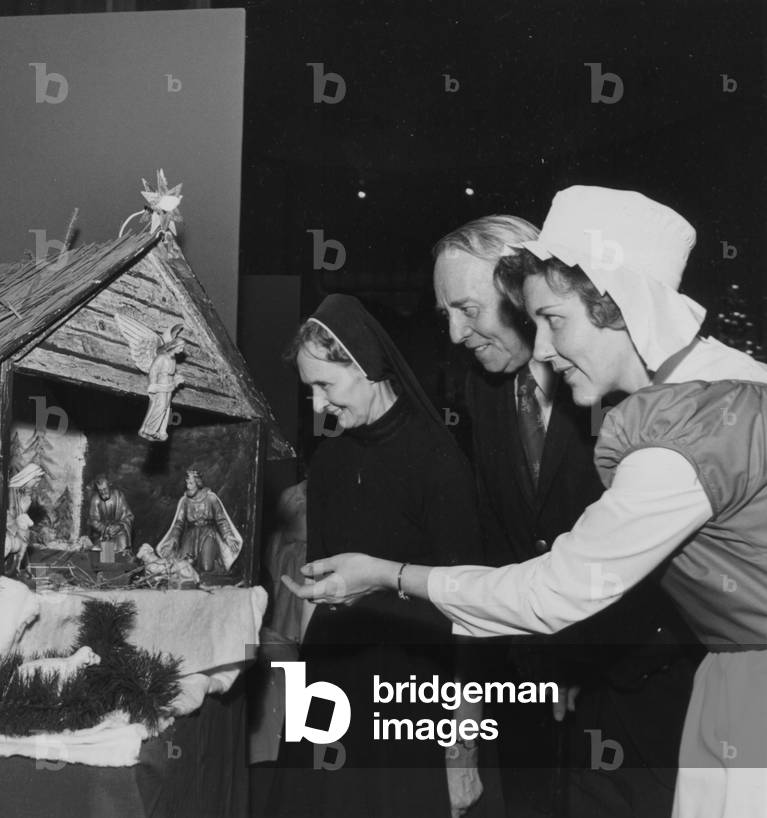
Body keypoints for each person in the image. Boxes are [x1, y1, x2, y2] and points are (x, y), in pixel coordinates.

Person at [284, 186, 767, 818]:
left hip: (659, 681)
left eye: (552, 320)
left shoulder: (675, 418)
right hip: (563, 674)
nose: (457, 334)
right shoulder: (707, 386)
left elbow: (564, 584)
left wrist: (390, 576)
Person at [434, 215, 697, 817]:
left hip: (637, 686)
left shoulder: (627, 378)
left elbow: (663, 551)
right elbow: (499, 538)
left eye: (466, 309)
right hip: (530, 687)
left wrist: (584, 650)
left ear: (517, 291)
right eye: (444, 313)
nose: (454, 333)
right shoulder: (484, 389)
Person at [266, 294, 500, 818]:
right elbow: (315, 593)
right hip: (331, 689)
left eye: (325, 385)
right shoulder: (328, 462)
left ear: (367, 367)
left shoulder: (438, 462)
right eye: (310, 390)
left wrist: (462, 753)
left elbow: (472, 618)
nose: (317, 407)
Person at [156, 469, 242, 572]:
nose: (188, 486)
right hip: (191, 535)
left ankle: (216, 568)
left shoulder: (211, 498)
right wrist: (174, 538)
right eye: (187, 483)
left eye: (191, 483)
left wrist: (228, 536)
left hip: (208, 533)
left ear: (198, 483)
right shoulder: (185, 501)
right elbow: (179, 523)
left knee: (207, 567)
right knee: (183, 566)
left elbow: (221, 520)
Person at [87, 474, 134, 558]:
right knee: (105, 554)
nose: (103, 492)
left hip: (119, 532)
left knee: (122, 549)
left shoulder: (119, 496)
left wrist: (120, 526)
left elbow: (129, 516)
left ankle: (122, 562)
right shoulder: (95, 499)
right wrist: (106, 529)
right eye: (100, 490)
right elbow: (93, 520)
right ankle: (107, 566)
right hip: (103, 534)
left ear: (109, 486)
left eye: (105, 489)